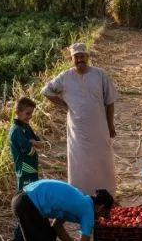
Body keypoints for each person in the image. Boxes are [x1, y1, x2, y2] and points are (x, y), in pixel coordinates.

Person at [42, 42, 118, 196]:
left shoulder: (100, 74)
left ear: (87, 57)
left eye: (82, 56)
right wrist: (65, 106)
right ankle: (80, 195)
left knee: (102, 159)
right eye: (76, 57)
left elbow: (110, 101)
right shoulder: (65, 77)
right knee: (79, 163)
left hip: (99, 127)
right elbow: (46, 91)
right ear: (72, 59)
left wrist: (110, 125)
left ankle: (107, 195)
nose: (79, 59)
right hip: (77, 129)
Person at [8, 96, 48, 241]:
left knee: (31, 198)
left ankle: (29, 231)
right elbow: (29, 150)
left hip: (31, 169)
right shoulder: (16, 131)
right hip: (24, 170)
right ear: (17, 112)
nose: (30, 117)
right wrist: (33, 143)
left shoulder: (25, 126)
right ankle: (19, 235)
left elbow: (38, 141)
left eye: (31, 114)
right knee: (23, 201)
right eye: (27, 114)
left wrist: (33, 142)